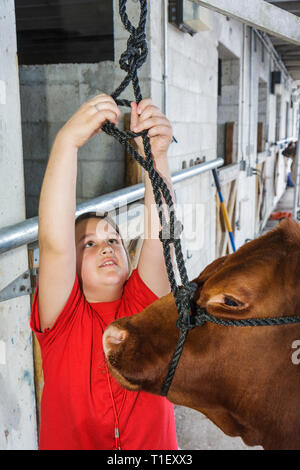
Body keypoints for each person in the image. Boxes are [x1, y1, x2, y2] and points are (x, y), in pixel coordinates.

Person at [30, 93, 178, 450]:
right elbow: (54, 242)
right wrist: (67, 143)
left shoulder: (144, 305)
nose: (106, 247)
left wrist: (157, 158)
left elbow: (162, 237)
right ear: (71, 268)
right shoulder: (61, 321)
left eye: (112, 239)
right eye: (89, 244)